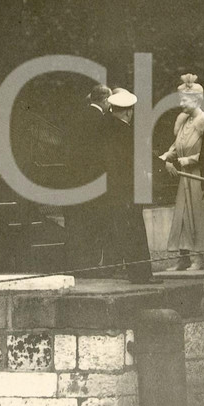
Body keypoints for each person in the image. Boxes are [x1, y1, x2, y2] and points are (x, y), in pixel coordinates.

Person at [159, 74, 204, 272]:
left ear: (197, 100)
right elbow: (177, 145)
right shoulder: (183, 121)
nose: (181, 103)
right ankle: (183, 259)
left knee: (197, 217)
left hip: (197, 176)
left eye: (185, 100)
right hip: (184, 178)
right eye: (180, 99)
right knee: (181, 217)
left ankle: (199, 259)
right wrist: (167, 157)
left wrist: (188, 160)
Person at [105, 89, 154, 283]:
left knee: (125, 231)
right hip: (128, 189)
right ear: (128, 111)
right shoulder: (126, 132)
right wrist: (164, 165)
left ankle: (135, 273)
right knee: (135, 230)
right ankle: (141, 275)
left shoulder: (108, 129)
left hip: (115, 189)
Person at [63, 84, 112, 272]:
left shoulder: (77, 117)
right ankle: (92, 264)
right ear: (105, 100)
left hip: (75, 179)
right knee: (94, 223)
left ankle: (79, 264)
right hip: (94, 180)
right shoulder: (102, 120)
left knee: (79, 224)